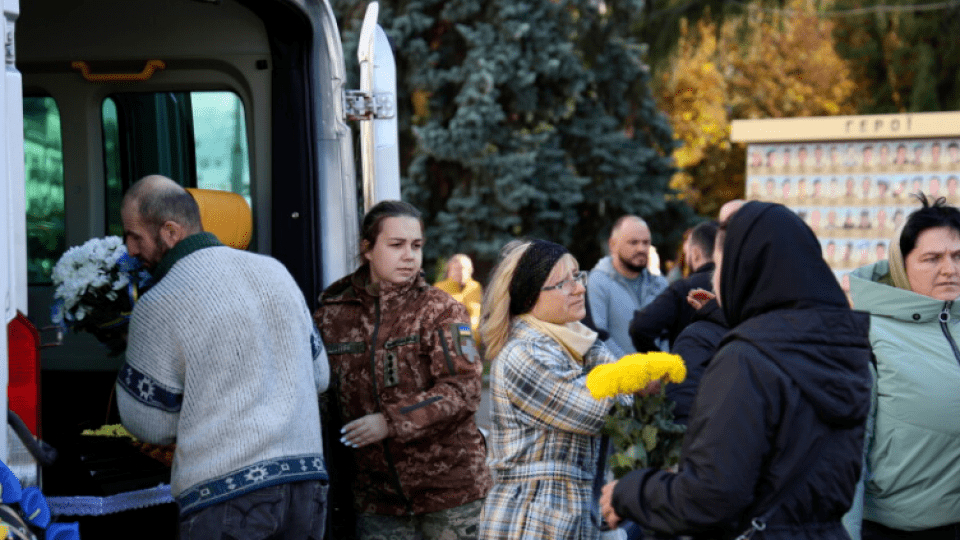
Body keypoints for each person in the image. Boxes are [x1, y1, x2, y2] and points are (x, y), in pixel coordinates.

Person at [600, 201, 873, 539]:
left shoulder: (748, 357)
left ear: (742, 268)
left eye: (720, 266)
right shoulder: (844, 352)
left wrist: (630, 491)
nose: (715, 279)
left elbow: (709, 497)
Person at [115, 175, 330, 539]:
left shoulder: (159, 302)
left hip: (227, 498)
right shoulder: (276, 272)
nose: (130, 250)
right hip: (307, 488)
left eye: (134, 236)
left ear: (169, 232)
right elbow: (320, 375)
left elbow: (150, 425)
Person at [313, 200, 491, 540]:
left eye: (416, 246)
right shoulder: (331, 316)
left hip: (450, 496)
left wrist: (390, 422)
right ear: (367, 248)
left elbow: (464, 389)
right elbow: (321, 399)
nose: (409, 256)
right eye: (396, 245)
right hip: (376, 503)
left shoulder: (439, 309)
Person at [478, 239, 622, 540]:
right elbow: (601, 412)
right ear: (530, 296)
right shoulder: (524, 355)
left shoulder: (571, 344)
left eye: (577, 276)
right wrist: (627, 376)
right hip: (529, 524)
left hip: (561, 522)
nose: (580, 288)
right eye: (562, 284)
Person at [847, 195, 960, 537]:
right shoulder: (868, 334)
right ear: (901, 264)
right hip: (894, 529)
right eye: (932, 258)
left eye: (958, 256)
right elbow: (848, 454)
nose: (949, 269)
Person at [629, 221, 718, 353]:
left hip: (688, 369)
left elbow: (640, 327)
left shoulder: (683, 289)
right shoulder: (737, 286)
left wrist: (663, 362)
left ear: (696, 253)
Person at [588, 216, 668, 357]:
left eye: (646, 242)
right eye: (633, 242)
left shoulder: (660, 284)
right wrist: (633, 370)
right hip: (620, 374)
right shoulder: (597, 282)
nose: (641, 248)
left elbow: (667, 333)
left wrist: (662, 368)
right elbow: (598, 336)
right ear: (613, 245)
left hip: (660, 374)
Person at [434, 253, 483, 334]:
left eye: (464, 269)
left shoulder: (475, 287)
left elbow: (477, 313)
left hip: (474, 335)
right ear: (449, 271)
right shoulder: (439, 288)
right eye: (456, 269)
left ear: (471, 270)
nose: (461, 273)